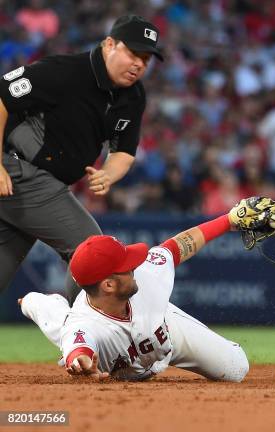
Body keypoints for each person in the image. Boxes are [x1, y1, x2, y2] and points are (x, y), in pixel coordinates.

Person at [19, 196, 275, 381]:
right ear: (109, 284)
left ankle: (39, 303)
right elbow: (79, 348)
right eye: (126, 265)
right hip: (88, 328)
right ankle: (40, 303)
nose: (135, 265)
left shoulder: (145, 273)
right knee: (56, 320)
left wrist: (229, 220)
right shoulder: (84, 327)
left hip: (165, 329)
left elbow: (178, 245)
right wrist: (80, 361)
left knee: (236, 368)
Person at [0, 15, 163, 304]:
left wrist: (109, 173)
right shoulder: (64, 71)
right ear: (109, 44)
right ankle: (80, 334)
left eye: (146, 58)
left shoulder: (133, 96)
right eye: (133, 53)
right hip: (20, 170)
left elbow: (124, 152)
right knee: (95, 254)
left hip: (34, 184)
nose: (139, 63)